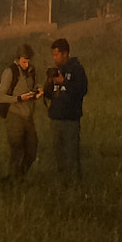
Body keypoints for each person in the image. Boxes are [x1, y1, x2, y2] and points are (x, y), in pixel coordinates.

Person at [43, 37, 87, 182]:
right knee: (59, 155)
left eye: (57, 54)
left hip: (70, 119)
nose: (54, 58)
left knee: (71, 155)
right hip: (56, 119)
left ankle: (75, 185)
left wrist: (64, 82)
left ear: (65, 53)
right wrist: (49, 82)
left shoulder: (76, 70)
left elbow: (81, 90)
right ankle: (63, 184)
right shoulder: (57, 71)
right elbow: (49, 95)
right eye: (53, 55)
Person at [0, 44, 41, 178]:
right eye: (24, 62)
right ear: (18, 59)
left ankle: (20, 176)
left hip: (28, 116)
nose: (26, 65)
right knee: (17, 151)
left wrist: (38, 90)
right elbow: (0, 96)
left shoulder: (31, 71)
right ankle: (12, 181)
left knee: (32, 151)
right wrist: (19, 98)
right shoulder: (10, 72)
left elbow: (35, 85)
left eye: (28, 62)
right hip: (15, 116)